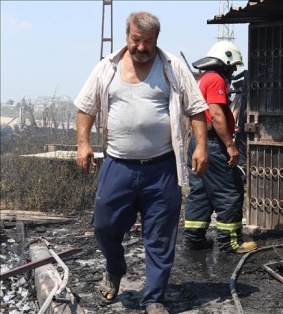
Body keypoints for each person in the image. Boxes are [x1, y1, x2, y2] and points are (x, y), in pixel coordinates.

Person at [74, 11, 208, 314]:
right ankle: (115, 267)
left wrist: (201, 146)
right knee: (105, 225)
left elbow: (197, 109)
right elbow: (85, 107)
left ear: (156, 40)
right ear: (127, 36)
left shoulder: (172, 68)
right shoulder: (106, 68)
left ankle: (154, 298)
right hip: (118, 165)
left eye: (148, 42)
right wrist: (83, 143)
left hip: (161, 168)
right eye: (137, 40)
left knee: (160, 236)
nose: (142, 47)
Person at [183, 41, 257, 254]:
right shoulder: (215, 79)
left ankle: (194, 238)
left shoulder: (202, 78)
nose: (233, 70)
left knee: (201, 192)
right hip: (214, 144)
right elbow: (216, 115)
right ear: (223, 61)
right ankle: (230, 242)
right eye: (232, 65)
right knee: (230, 191)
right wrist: (230, 145)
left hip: (197, 143)